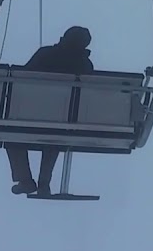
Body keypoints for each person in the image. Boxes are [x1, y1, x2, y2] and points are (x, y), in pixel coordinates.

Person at [7, 26, 95, 195]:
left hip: (30, 114)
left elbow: (22, 77)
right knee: (55, 137)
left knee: (12, 136)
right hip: (65, 121)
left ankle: (24, 179)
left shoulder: (45, 54)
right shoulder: (85, 65)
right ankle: (44, 183)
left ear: (64, 37)